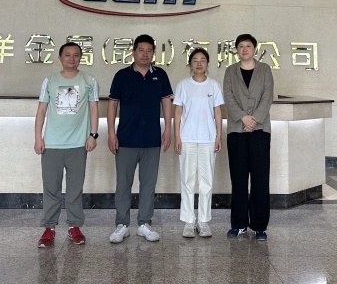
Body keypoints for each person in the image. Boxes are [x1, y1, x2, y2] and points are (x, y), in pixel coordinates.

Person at [107, 34, 173, 243]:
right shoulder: (122, 75)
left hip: (151, 139)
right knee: (123, 184)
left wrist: (168, 129)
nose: (145, 54)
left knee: (148, 185)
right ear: (134, 52)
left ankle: (144, 223)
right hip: (125, 139)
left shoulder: (160, 75)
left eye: (149, 51)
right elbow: (112, 105)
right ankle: (122, 224)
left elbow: (166, 103)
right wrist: (111, 133)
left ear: (153, 53)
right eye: (141, 50)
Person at [34, 42, 99, 247]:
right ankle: (49, 228)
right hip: (52, 144)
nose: (72, 58)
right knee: (51, 188)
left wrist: (93, 135)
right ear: (60, 58)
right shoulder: (50, 81)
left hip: (78, 144)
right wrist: (38, 138)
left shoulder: (89, 80)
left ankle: (74, 226)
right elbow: (41, 110)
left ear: (81, 58)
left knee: (74, 189)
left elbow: (94, 109)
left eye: (76, 55)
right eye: (68, 55)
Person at [222, 33, 273, 241]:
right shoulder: (230, 71)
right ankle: (239, 224)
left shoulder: (265, 70)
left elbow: (267, 96)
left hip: (260, 131)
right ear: (237, 49)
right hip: (236, 131)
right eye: (241, 46)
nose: (244, 49)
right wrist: (243, 117)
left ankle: (260, 226)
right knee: (239, 179)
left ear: (254, 49)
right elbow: (228, 97)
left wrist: (254, 119)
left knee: (260, 179)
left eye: (248, 46)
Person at [173, 47, 224, 238]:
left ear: (207, 63)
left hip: (208, 139)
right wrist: (177, 136)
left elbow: (217, 112)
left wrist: (218, 136)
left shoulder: (213, 86)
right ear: (190, 64)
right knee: (187, 181)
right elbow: (178, 112)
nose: (199, 63)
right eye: (195, 60)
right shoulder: (183, 85)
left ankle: (203, 221)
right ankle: (188, 221)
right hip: (187, 138)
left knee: (206, 182)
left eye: (203, 60)